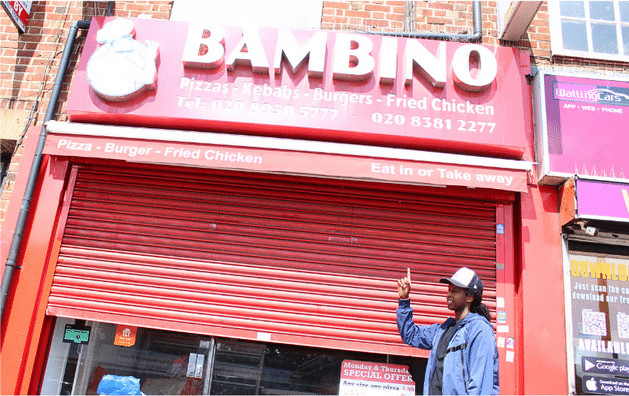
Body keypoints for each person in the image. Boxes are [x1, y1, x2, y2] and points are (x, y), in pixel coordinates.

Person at [397, 267, 499, 395]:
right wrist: (404, 300)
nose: (449, 295)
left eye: (455, 291)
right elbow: (410, 335)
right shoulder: (443, 330)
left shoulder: (479, 329)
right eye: (449, 290)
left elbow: (482, 384)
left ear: (470, 297)